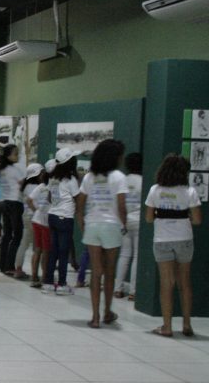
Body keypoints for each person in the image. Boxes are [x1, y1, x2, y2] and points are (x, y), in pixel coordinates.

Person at [145, 154, 202, 337]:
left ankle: (167, 326)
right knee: (184, 282)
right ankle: (186, 324)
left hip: (162, 239)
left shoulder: (155, 190)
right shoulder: (190, 192)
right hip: (184, 239)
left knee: (166, 283)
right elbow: (198, 220)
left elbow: (148, 218)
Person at [79, 140, 128, 328]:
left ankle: (95, 316)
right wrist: (124, 225)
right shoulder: (118, 177)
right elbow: (122, 206)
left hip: (92, 225)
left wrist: (83, 224)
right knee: (109, 272)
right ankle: (107, 311)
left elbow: (81, 204)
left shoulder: (89, 177)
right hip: (112, 226)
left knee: (96, 272)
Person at [44, 149, 82, 296]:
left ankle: (47, 282)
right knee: (63, 252)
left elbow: (48, 198)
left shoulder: (53, 177)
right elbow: (78, 198)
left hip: (52, 216)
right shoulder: (70, 179)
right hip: (65, 217)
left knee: (53, 251)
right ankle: (61, 284)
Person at [115, 152, 143, 300]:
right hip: (138, 221)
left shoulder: (122, 180)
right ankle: (133, 291)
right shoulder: (143, 181)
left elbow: (119, 203)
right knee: (137, 256)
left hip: (124, 220)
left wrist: (123, 221)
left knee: (124, 255)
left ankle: (118, 289)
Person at [0, 144, 27, 277]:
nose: (18, 156)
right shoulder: (14, 170)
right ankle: (9, 266)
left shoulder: (2, 170)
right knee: (17, 235)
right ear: (8, 156)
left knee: (7, 234)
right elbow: (22, 184)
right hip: (15, 202)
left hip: (6, 203)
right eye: (15, 153)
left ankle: (2, 264)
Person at [25, 161, 51, 288]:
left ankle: (34, 276)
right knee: (46, 251)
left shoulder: (40, 187)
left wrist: (37, 210)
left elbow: (29, 200)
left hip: (36, 220)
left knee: (37, 250)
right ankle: (45, 277)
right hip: (46, 222)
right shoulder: (51, 187)